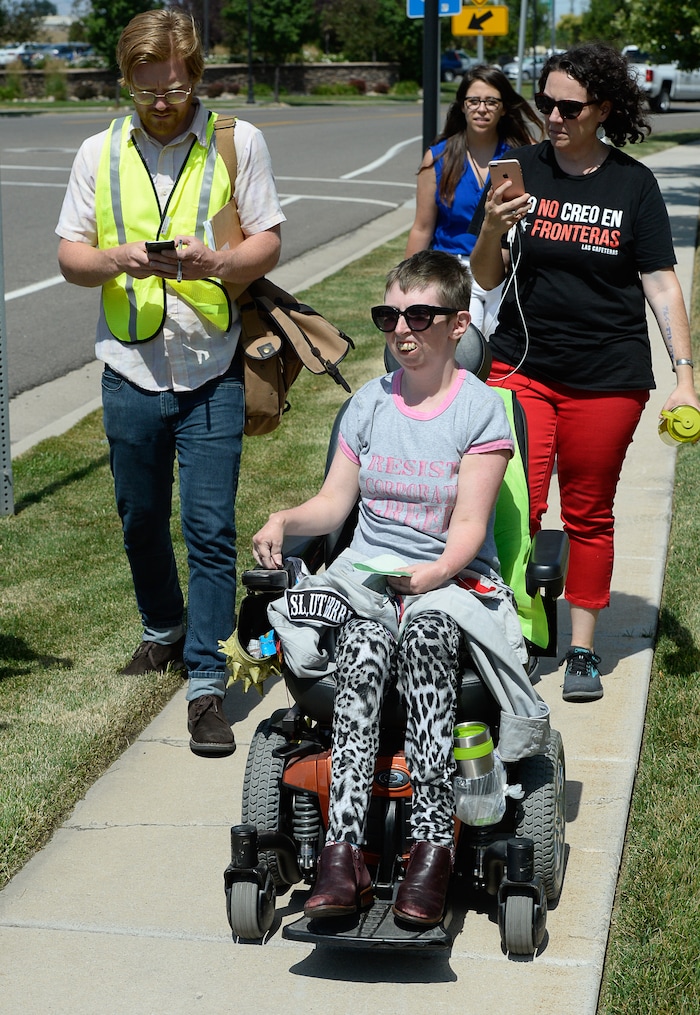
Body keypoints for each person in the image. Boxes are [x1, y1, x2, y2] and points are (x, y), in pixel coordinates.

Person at [252, 250, 548, 928]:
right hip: (371, 577)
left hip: (451, 577)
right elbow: (334, 505)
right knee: (358, 652)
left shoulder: (480, 412)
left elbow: (471, 524)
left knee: (427, 635)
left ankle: (432, 848)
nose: (402, 329)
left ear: (456, 323)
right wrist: (284, 518)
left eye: (419, 315)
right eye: (391, 315)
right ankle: (342, 853)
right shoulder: (368, 403)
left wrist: (431, 577)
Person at [55, 9, 285, 756]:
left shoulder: (236, 142)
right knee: (138, 517)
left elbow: (269, 242)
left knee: (212, 531)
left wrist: (215, 262)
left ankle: (205, 684)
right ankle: (162, 628)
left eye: (177, 87)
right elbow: (69, 256)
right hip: (130, 364)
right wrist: (121, 256)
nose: (163, 102)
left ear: (195, 75)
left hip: (212, 363)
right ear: (127, 79)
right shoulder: (99, 150)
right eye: (148, 89)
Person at [469, 42, 700, 703]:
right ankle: (512, 632)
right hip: (522, 366)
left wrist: (685, 375)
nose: (553, 116)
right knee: (511, 500)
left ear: (603, 108)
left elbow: (660, 283)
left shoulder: (632, 183)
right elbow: (487, 276)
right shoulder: (522, 170)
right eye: (544, 102)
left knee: (588, 513)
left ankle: (581, 648)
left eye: (569, 106)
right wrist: (491, 227)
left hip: (607, 375)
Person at [405, 65, 542, 336]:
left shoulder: (521, 154)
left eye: (491, 101)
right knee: (465, 351)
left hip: (505, 269)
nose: (482, 108)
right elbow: (422, 227)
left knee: (501, 354)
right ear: (462, 106)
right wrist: (406, 287)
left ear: (504, 108)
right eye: (474, 101)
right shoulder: (438, 157)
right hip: (453, 272)